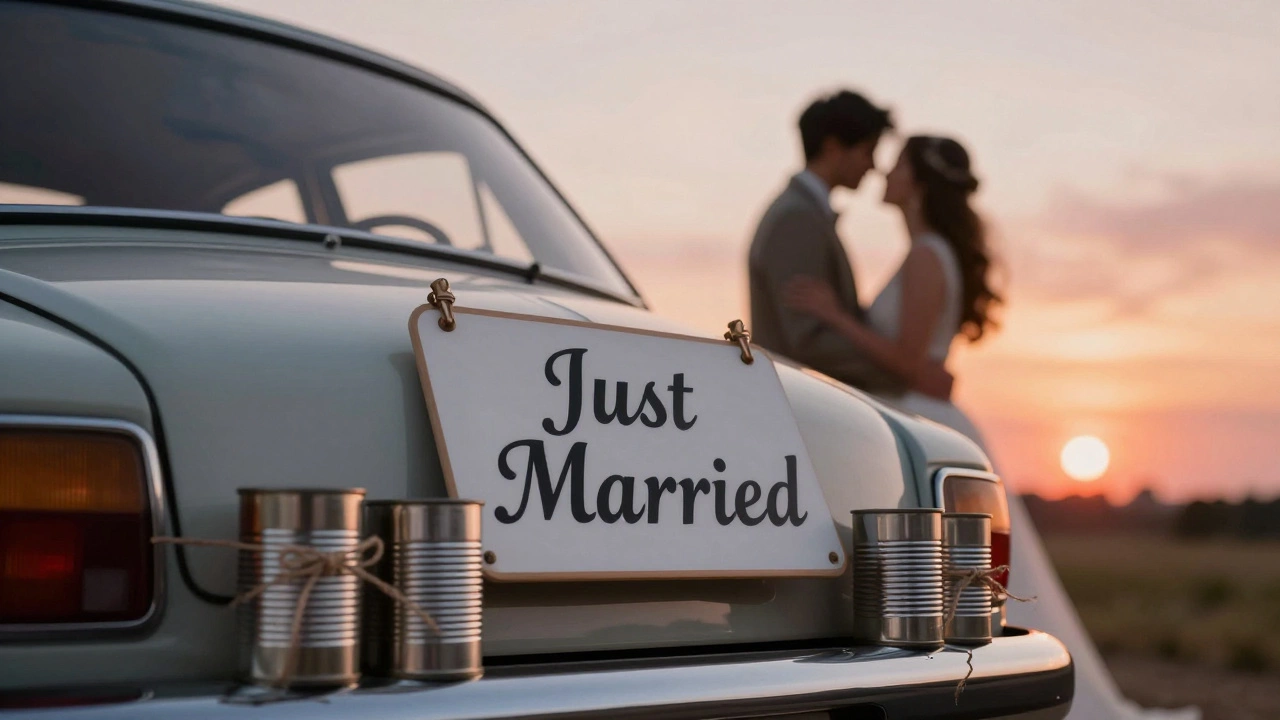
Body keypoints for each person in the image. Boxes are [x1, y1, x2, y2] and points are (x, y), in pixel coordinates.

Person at [784, 134, 998, 445]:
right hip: (907, 406)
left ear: (919, 184)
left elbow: (907, 361)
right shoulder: (927, 252)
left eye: (898, 165)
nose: (885, 173)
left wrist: (836, 316)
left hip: (917, 416)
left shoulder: (926, 255)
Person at [748, 90, 953, 401]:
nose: (872, 166)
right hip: (798, 405)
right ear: (833, 148)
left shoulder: (805, 214)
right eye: (868, 151)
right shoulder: (797, 219)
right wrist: (906, 375)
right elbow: (807, 341)